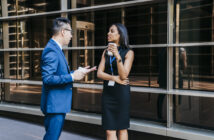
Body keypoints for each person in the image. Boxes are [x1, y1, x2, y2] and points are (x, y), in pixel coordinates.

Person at [40, 17, 96, 140]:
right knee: (52, 137)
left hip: (57, 105)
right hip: (54, 106)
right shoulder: (52, 50)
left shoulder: (56, 49)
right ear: (63, 32)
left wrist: (76, 72)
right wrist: (72, 76)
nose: (71, 35)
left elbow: (58, 73)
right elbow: (48, 78)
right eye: (70, 31)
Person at [97, 23, 134, 140]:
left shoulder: (128, 52)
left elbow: (123, 76)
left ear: (120, 35)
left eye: (112, 31)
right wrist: (114, 78)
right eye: (108, 31)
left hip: (121, 94)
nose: (108, 33)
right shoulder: (105, 52)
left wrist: (118, 56)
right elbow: (99, 73)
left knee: (122, 129)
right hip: (108, 94)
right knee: (109, 130)